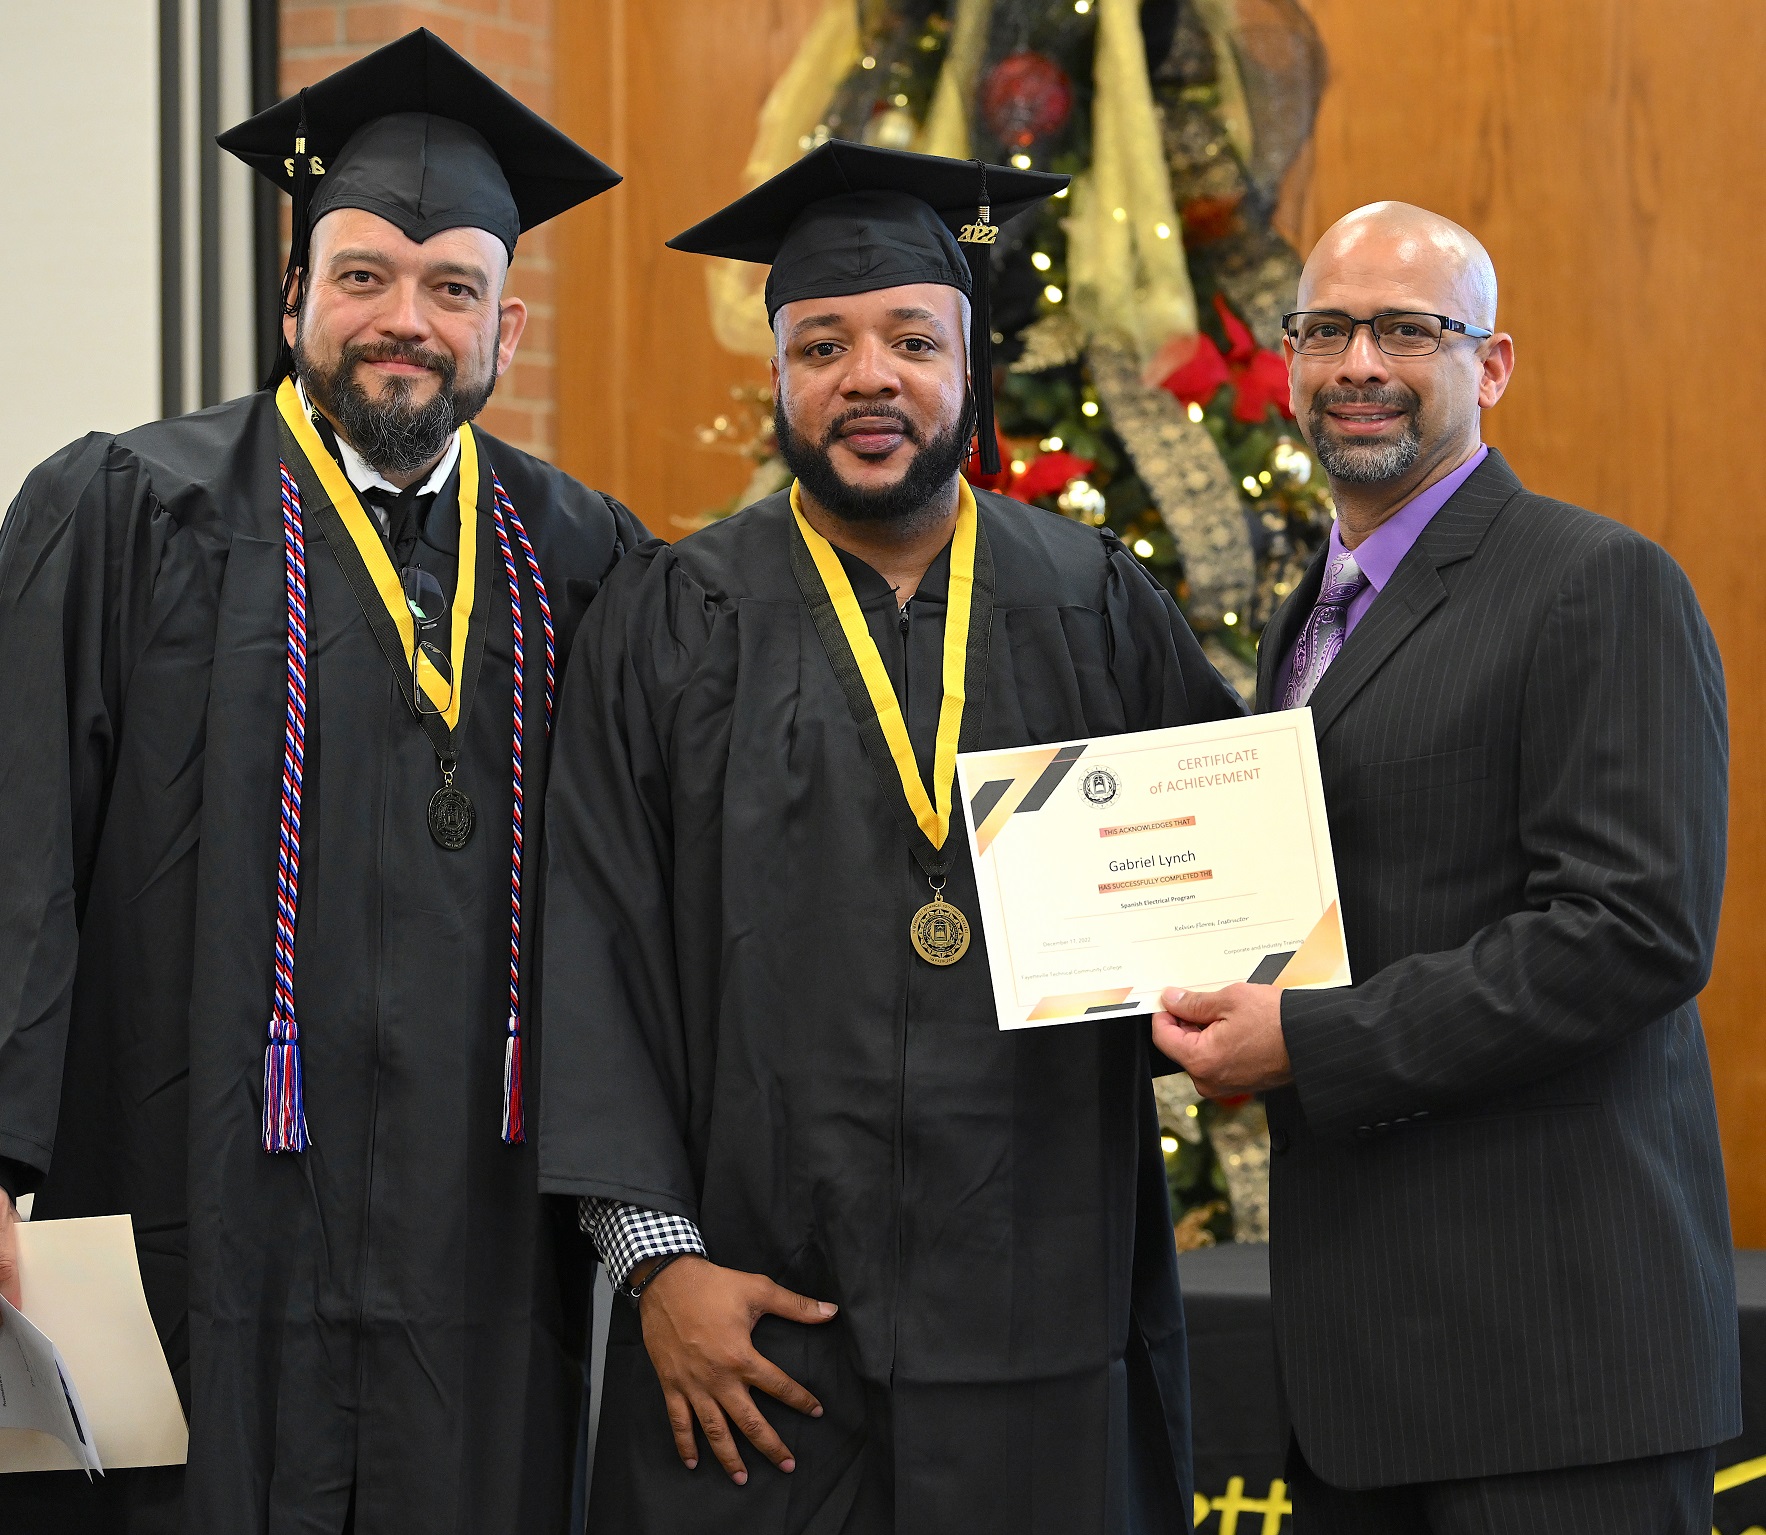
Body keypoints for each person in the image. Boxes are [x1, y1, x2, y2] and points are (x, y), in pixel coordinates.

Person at [538, 139, 1242, 1534]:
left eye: (910, 339)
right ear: (780, 376)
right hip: (749, 1337)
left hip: (1036, 1313)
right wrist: (655, 1270)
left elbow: (1223, 895)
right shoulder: (672, 620)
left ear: (968, 364)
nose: (868, 376)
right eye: (822, 345)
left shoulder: (1093, 603)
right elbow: (589, 940)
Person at [0, 29, 645, 1534]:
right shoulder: (126, 512)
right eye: (362, 276)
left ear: (507, 325)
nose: (402, 321)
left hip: (472, 1233)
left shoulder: (586, 558)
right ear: (293, 295)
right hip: (188, 1200)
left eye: (450, 288)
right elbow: (14, 848)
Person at [1152, 201, 1738, 1533]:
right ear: (1287, 363)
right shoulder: (1312, 612)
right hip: (1370, 1374)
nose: (1358, 361)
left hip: (1552, 1373)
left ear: (1491, 365)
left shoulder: (1595, 582)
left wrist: (1305, 1041)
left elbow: (1630, 930)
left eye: (1406, 328)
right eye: (1324, 330)